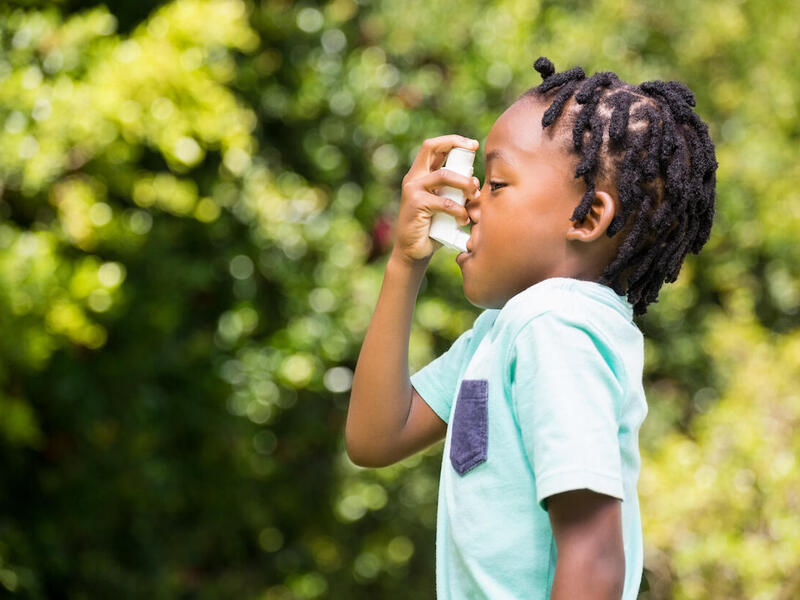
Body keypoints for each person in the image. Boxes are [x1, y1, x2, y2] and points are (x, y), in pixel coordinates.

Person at [345, 57, 717, 599]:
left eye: (496, 183)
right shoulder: (504, 332)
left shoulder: (554, 329)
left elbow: (594, 557)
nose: (471, 202)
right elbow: (376, 437)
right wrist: (406, 262)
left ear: (587, 218)